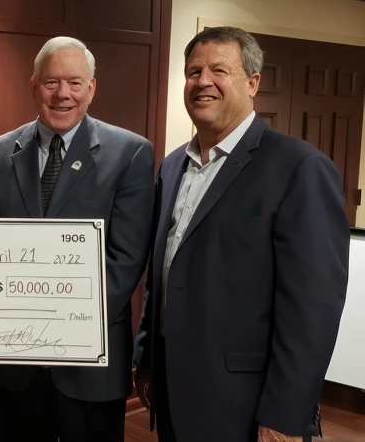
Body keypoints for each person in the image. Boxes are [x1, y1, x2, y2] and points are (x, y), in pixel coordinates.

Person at [133, 26, 349, 442]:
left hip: (247, 405)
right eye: (194, 72)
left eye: (219, 70)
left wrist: (287, 413)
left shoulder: (299, 168)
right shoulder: (172, 165)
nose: (203, 82)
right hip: (174, 390)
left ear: (253, 83)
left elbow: (313, 309)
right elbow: (163, 272)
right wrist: (147, 357)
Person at [0, 36, 155, 442]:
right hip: (15, 361)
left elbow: (125, 261)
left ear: (91, 88)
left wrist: (54, 326)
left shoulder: (130, 153)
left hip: (90, 364)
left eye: (75, 83)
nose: (63, 94)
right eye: (51, 82)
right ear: (33, 85)